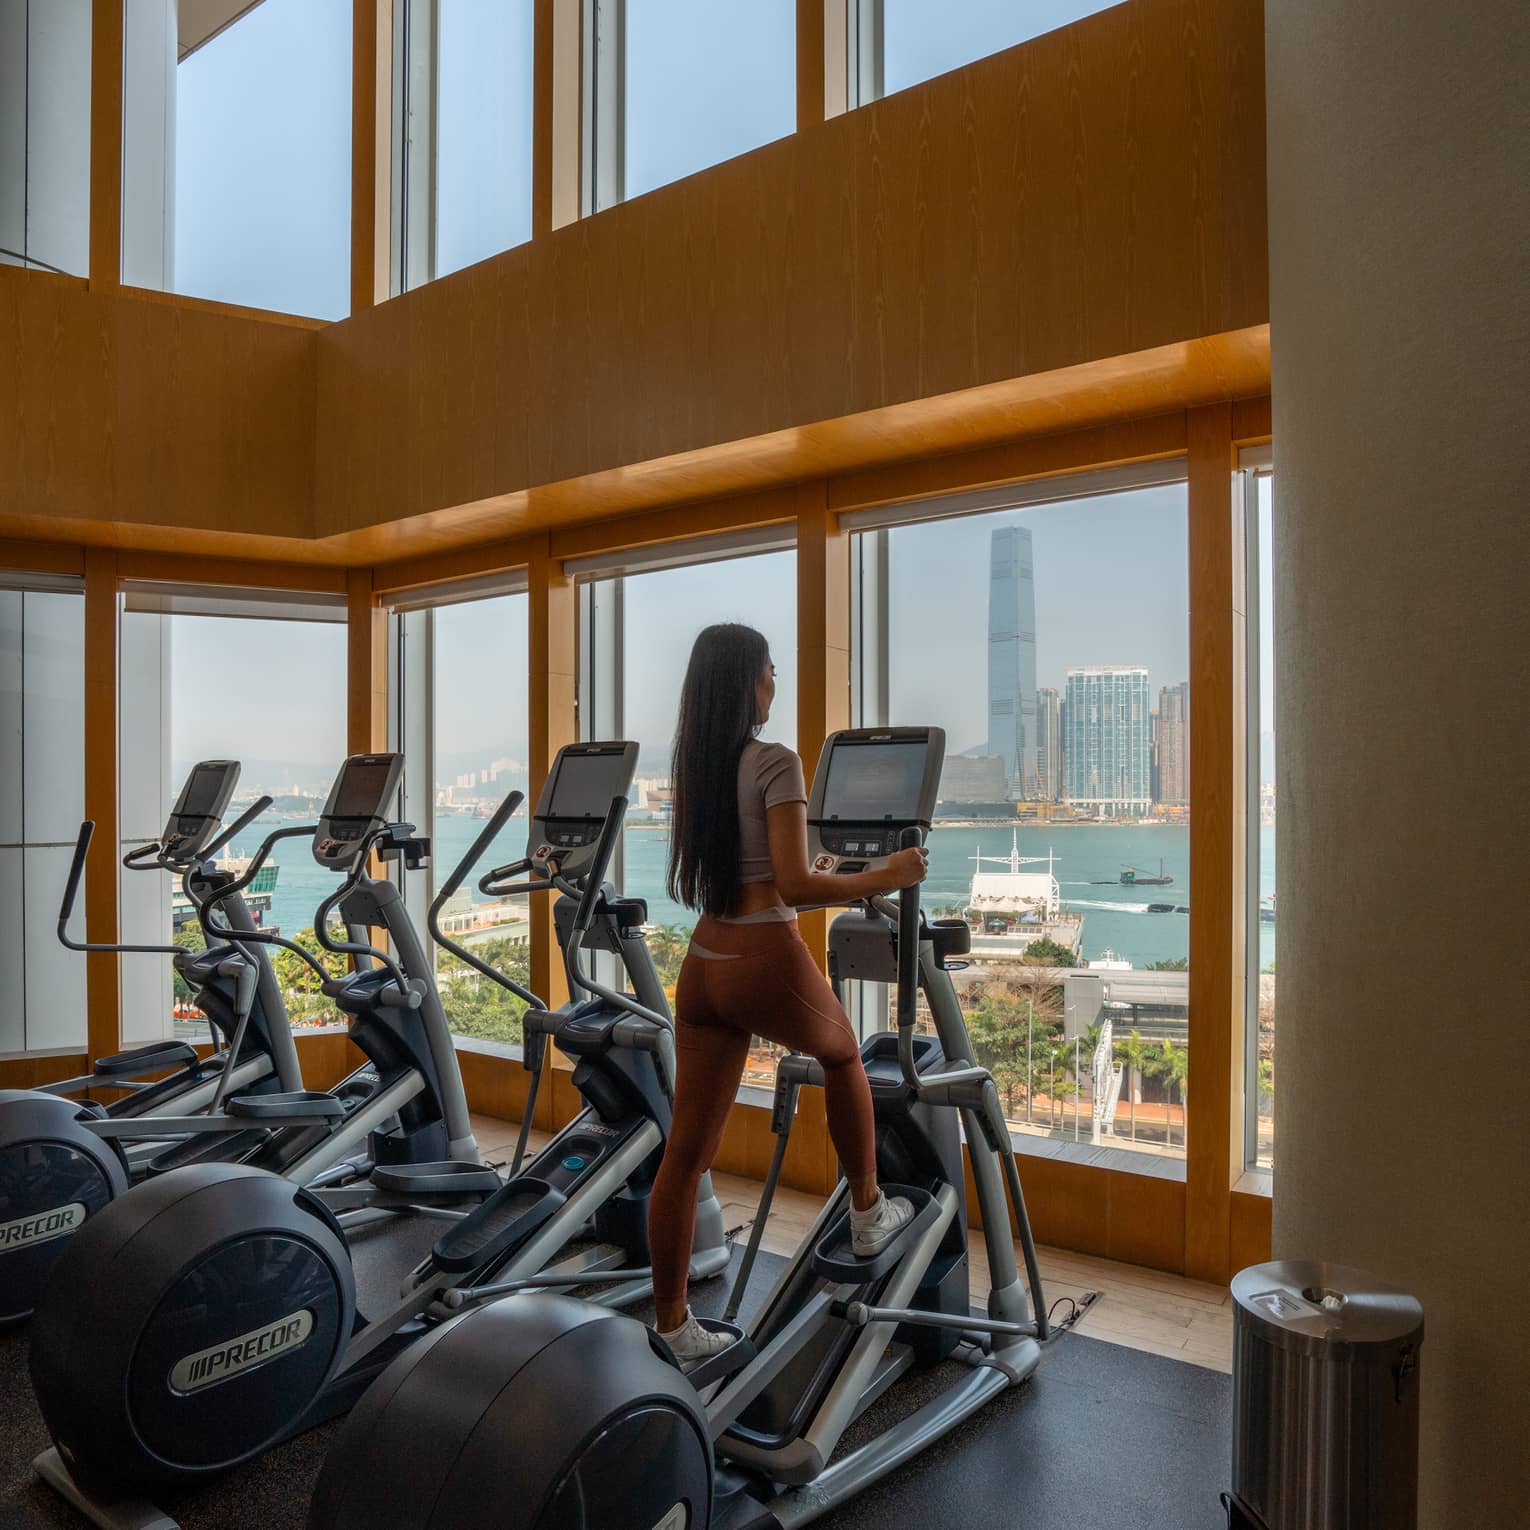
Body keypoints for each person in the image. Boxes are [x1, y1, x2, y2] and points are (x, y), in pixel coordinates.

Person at [649, 623, 929, 1366]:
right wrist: (888, 874)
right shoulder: (776, 760)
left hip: (705, 960)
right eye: (770, 674)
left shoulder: (697, 767)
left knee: (685, 1157)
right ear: (748, 683)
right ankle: (869, 1213)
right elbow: (799, 887)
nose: (775, 686)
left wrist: (818, 862)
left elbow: (762, 865)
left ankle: (673, 1327)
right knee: (844, 1057)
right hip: (762, 954)